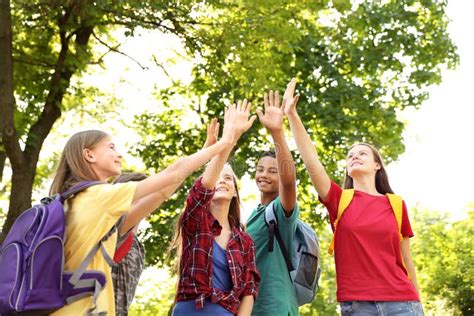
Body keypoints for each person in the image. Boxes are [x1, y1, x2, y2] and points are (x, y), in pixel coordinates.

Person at [50, 108, 237, 315]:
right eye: (111, 147)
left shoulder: (71, 201)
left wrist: (206, 150)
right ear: (89, 154)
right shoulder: (99, 196)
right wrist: (226, 141)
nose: (118, 154)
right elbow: (172, 174)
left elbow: (162, 191)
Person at [282, 78, 423, 315]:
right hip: (357, 305)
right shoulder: (340, 200)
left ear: (377, 164)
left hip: (403, 303)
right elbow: (311, 161)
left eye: (362, 153)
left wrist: (419, 302)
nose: (354, 156)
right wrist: (292, 116)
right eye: (350, 155)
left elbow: (407, 261)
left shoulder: (396, 205)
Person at [172, 101, 260, 315]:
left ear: (235, 192)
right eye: (218, 176)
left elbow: (249, 289)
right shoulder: (195, 221)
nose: (223, 181)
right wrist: (229, 138)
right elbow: (201, 189)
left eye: (228, 178)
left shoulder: (244, 241)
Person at [245, 88, 300, 315]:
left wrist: (277, 133)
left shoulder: (280, 211)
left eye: (272, 171)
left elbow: (289, 184)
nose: (264, 175)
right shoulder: (251, 217)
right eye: (260, 169)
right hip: (252, 308)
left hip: (275, 307)